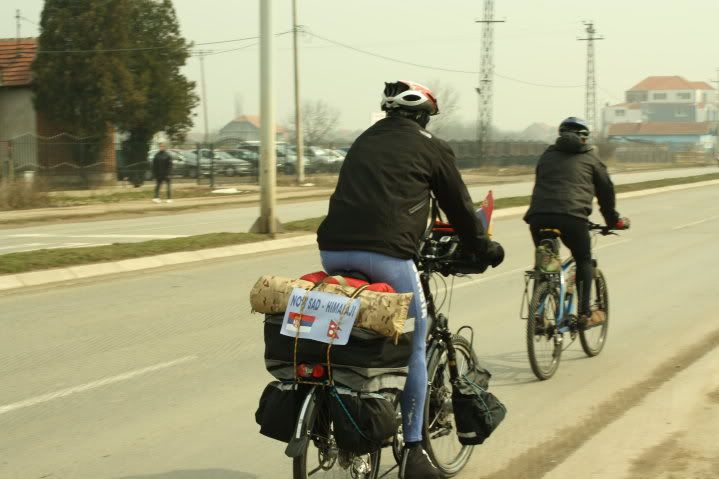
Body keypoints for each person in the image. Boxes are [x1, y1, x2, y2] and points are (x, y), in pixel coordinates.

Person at [316, 80, 504, 479]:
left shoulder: (363, 141)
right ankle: (415, 452)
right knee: (415, 341)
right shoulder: (431, 147)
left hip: (333, 250)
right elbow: (459, 208)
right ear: (422, 117)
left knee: (353, 326)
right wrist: (483, 248)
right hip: (387, 253)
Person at [524, 117, 629, 328]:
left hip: (539, 217)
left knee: (545, 264)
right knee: (583, 260)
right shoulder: (591, 158)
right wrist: (612, 220)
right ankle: (583, 314)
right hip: (572, 218)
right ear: (584, 138)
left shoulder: (547, 154)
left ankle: (537, 315)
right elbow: (606, 191)